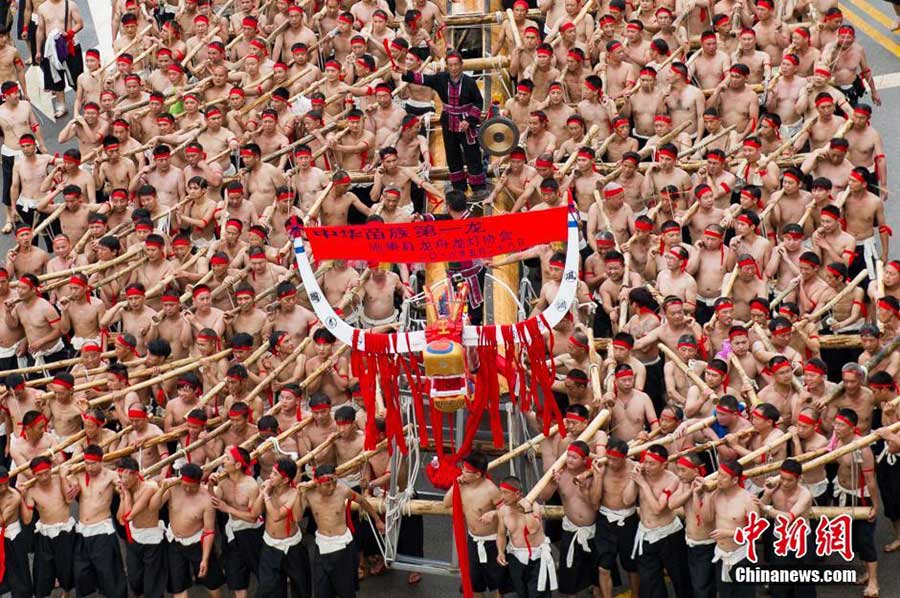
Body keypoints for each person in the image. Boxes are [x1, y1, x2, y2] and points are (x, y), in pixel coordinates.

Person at [398, 51, 486, 195]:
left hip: (465, 123)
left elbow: (478, 102)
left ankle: (478, 187)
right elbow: (422, 79)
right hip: (448, 120)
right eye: (450, 65)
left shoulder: (470, 82)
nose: (453, 68)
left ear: (461, 65)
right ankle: (458, 186)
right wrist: (404, 72)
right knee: (452, 154)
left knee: (472, 154)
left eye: (456, 64)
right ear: (447, 66)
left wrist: (469, 120)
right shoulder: (440, 78)